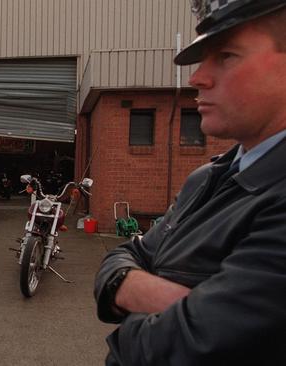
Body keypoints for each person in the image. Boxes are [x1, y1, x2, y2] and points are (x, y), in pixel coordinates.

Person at [93, 1, 286, 365]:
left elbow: (192, 347)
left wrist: (132, 314)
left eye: (226, 55)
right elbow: (125, 255)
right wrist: (176, 302)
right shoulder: (206, 178)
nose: (198, 78)